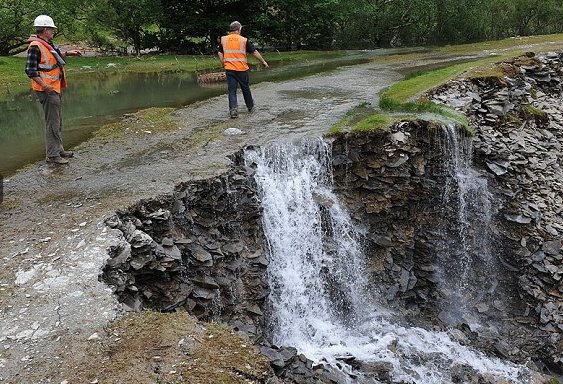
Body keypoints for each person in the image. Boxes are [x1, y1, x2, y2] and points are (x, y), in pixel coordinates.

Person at [25, 15, 83, 165]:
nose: (52, 31)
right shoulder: (36, 46)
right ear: (44, 29)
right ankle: (52, 155)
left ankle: (58, 150)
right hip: (47, 89)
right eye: (51, 29)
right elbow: (30, 71)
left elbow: (53, 59)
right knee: (52, 122)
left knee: (57, 121)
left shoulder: (46, 43)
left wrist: (68, 53)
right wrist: (45, 86)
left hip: (53, 87)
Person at [218, 21, 268, 118]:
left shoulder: (224, 39)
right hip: (241, 69)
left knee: (232, 91)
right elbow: (254, 52)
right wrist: (263, 61)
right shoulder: (243, 40)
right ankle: (250, 108)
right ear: (239, 30)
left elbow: (220, 53)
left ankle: (233, 111)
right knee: (245, 89)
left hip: (229, 69)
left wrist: (224, 63)